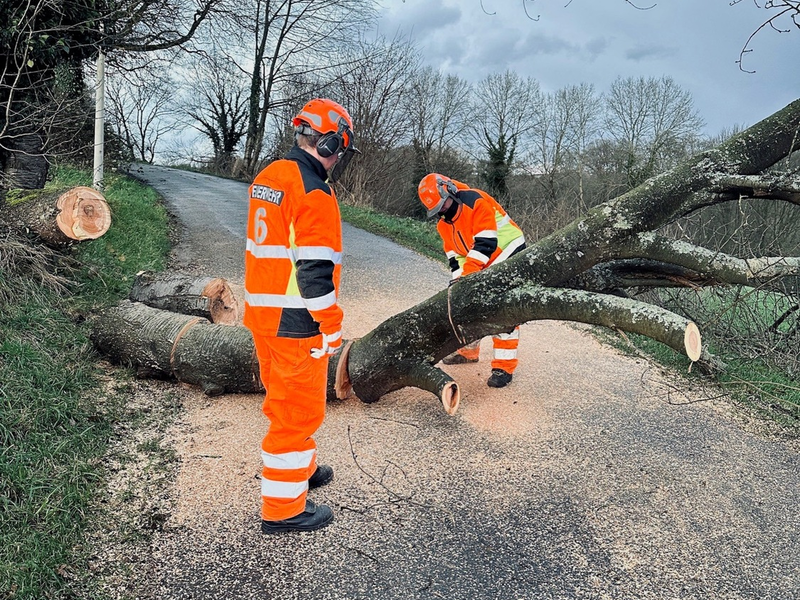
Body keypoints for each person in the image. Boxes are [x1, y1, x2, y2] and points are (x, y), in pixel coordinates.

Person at [243, 98, 357, 534]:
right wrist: (331, 324)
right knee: (295, 413)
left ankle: (301, 471)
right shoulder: (315, 191)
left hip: (264, 315)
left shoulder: (270, 176)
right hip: (296, 322)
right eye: (340, 148)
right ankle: (283, 508)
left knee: (282, 398)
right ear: (331, 142)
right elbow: (314, 272)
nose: (339, 157)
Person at [418, 173, 526, 388]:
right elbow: (455, 257)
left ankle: (504, 367)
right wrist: (460, 281)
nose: (442, 211)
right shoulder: (443, 224)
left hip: (507, 251)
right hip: (481, 258)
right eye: (437, 209)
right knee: (467, 305)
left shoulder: (475, 201)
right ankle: (468, 351)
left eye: (443, 205)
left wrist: (468, 275)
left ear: (448, 189)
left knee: (502, 311)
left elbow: (486, 242)